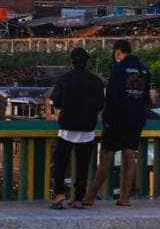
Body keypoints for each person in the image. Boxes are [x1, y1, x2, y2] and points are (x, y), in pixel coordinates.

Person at [83, 40, 151, 207]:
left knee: (106, 157)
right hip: (136, 119)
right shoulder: (144, 70)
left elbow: (112, 97)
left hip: (118, 119)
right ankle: (125, 198)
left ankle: (90, 196)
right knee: (130, 157)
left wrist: (107, 120)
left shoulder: (119, 69)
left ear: (118, 52)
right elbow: (145, 97)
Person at [49, 47, 104, 209]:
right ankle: (79, 199)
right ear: (87, 62)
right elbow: (100, 104)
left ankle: (59, 195)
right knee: (82, 165)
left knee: (60, 163)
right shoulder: (96, 81)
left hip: (67, 127)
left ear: (71, 61)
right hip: (87, 128)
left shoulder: (64, 79)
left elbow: (56, 101)